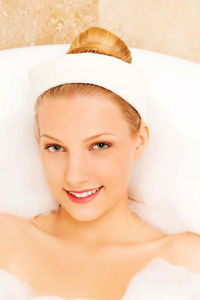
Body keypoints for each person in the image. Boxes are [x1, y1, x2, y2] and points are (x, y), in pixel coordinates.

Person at [0, 26, 200, 300]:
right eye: (55, 147)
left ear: (140, 140)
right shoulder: (7, 240)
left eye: (100, 145)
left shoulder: (185, 263)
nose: (74, 176)